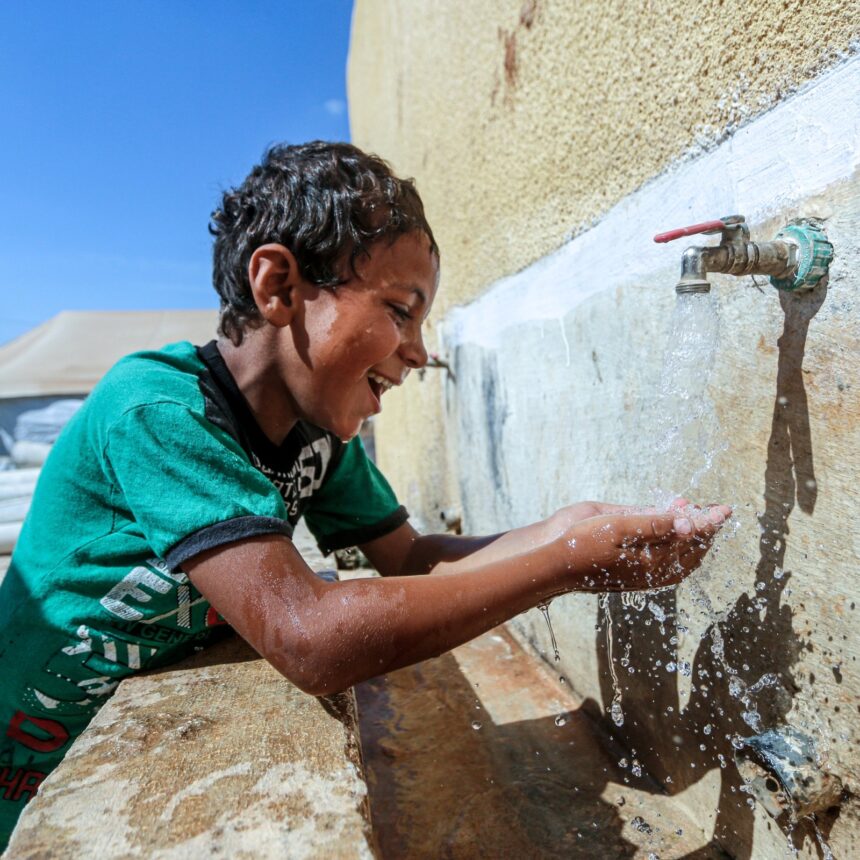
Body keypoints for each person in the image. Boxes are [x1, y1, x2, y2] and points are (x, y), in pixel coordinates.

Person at [0, 141, 730, 848]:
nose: (418, 351)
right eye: (401, 310)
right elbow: (307, 636)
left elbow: (411, 559)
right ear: (279, 287)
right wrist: (567, 563)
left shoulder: (317, 434)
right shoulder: (158, 410)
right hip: (31, 769)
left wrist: (565, 528)